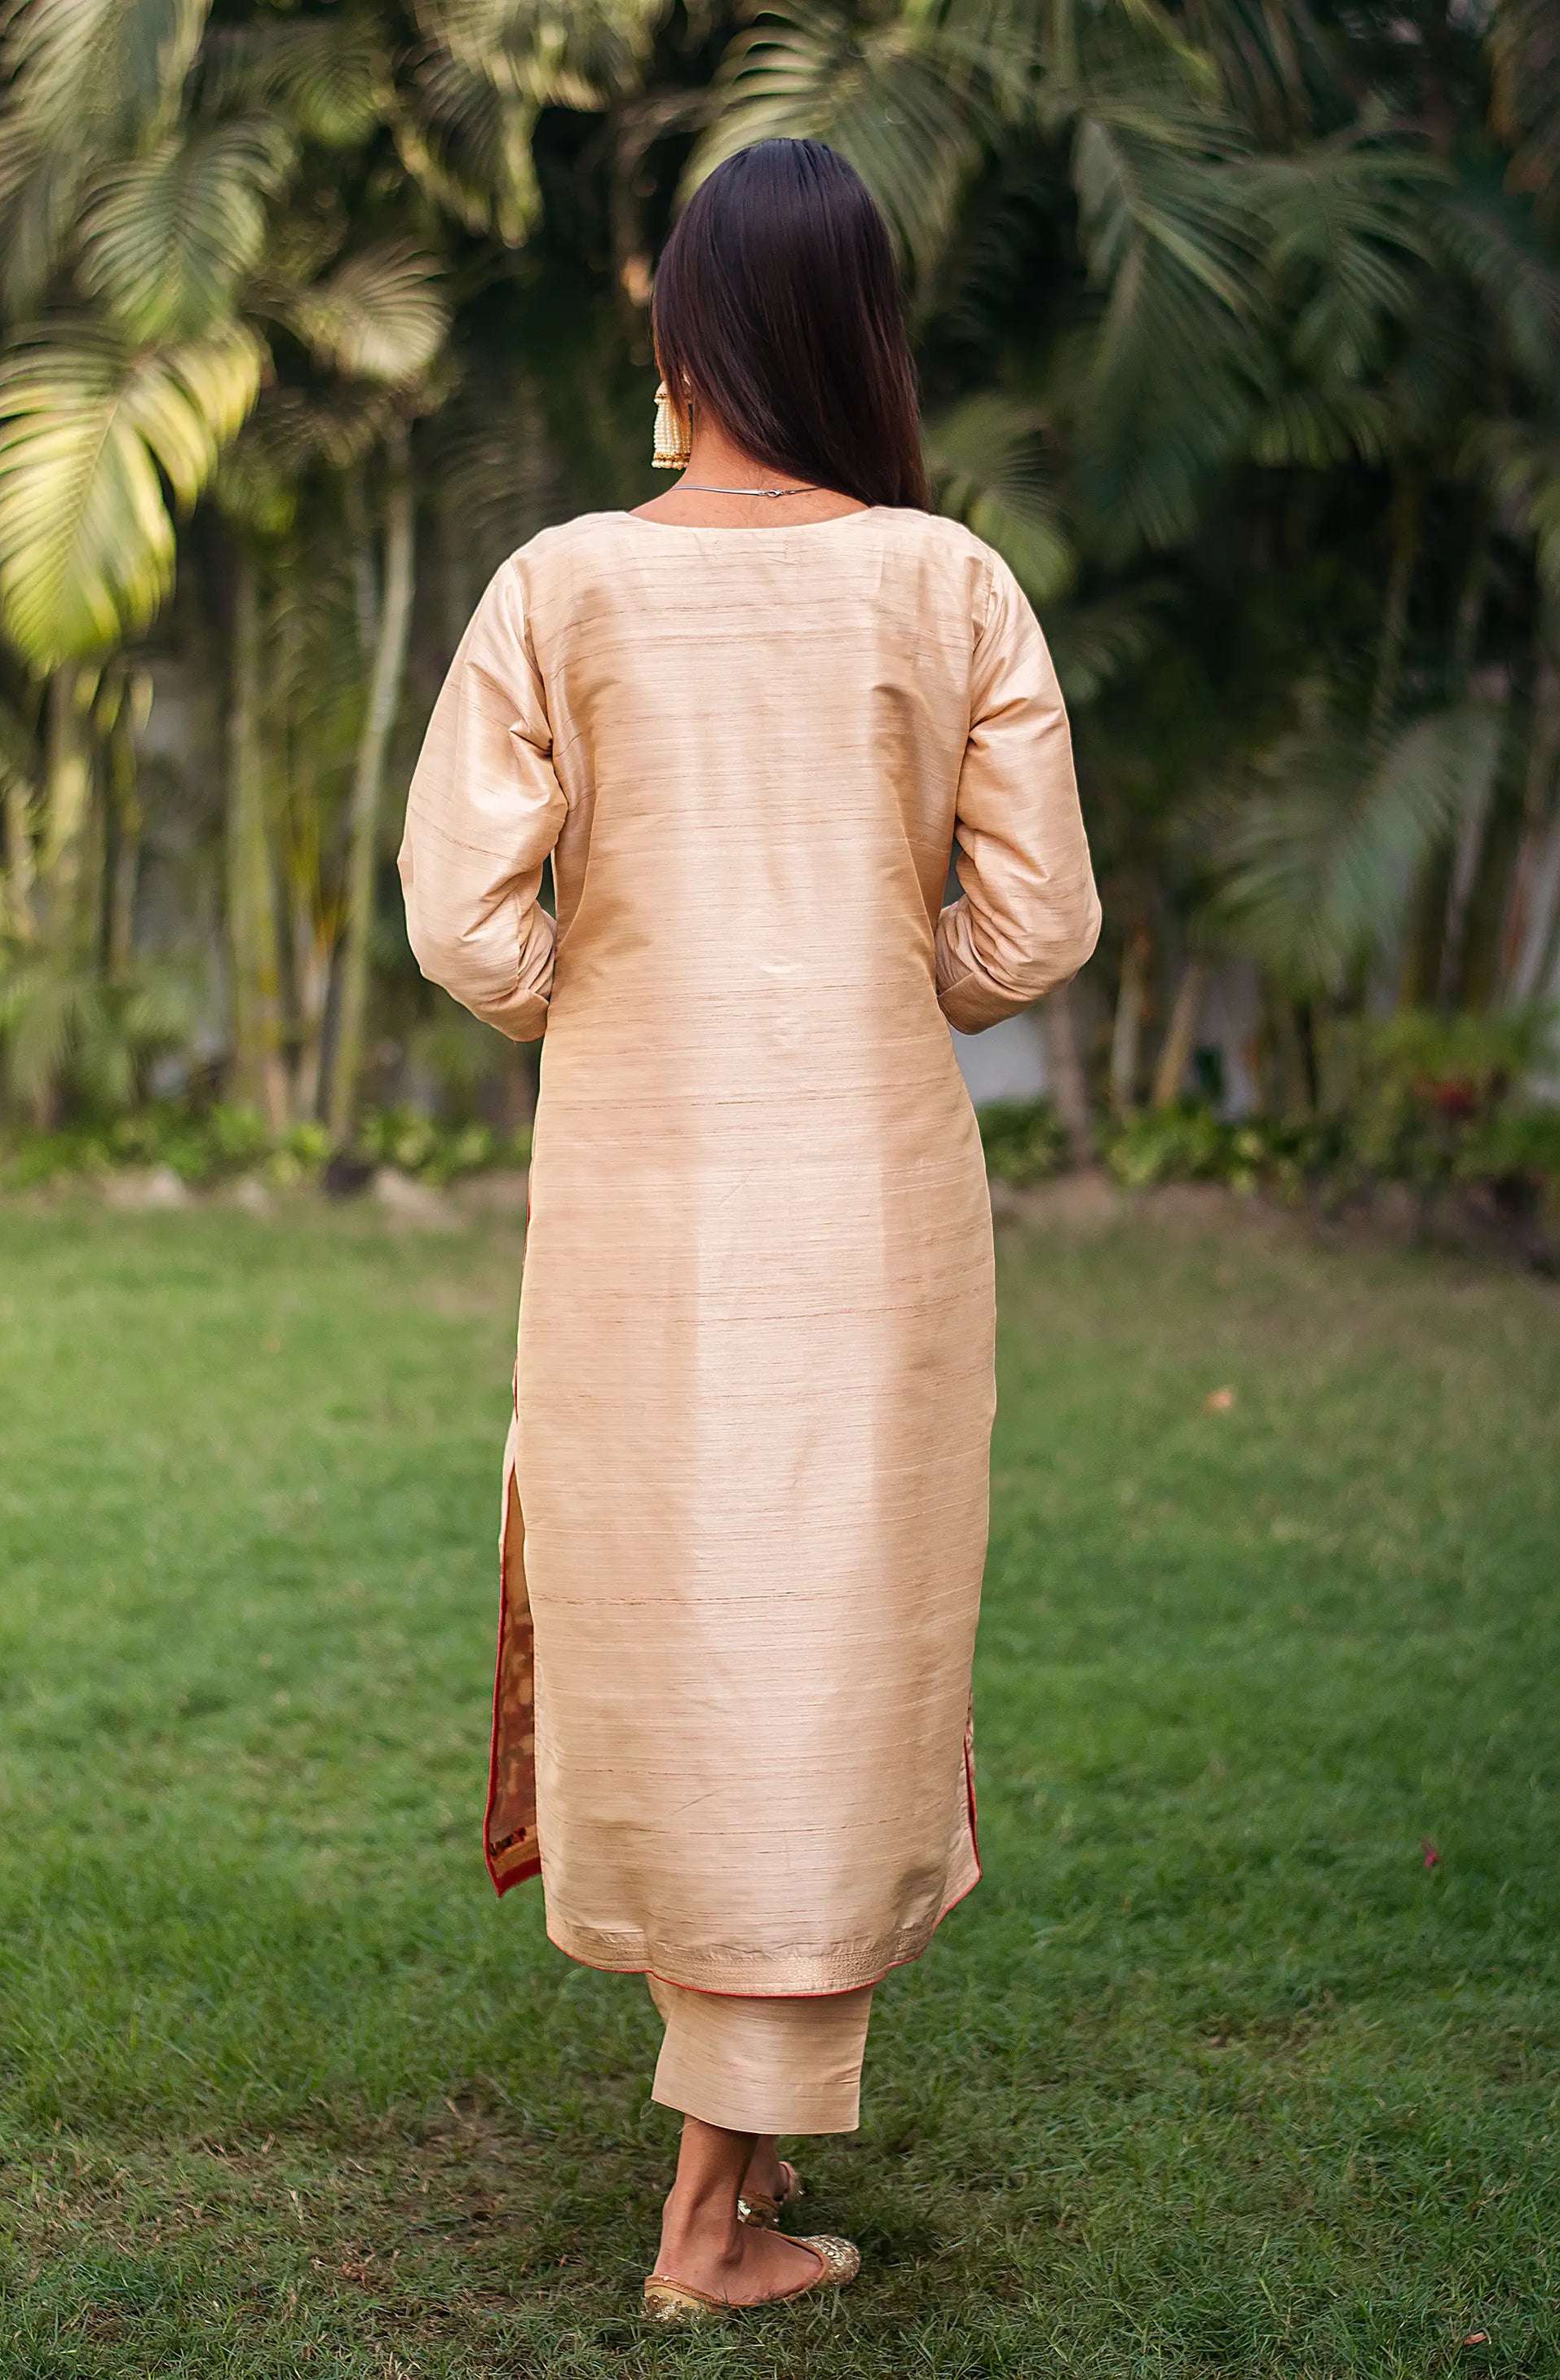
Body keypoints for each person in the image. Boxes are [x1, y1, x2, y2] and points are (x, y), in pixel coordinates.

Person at [398, 135, 1100, 2324]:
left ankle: (734, 2167)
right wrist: (900, 988)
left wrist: (592, 1000)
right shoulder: (945, 584)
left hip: (635, 1188)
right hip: (871, 1193)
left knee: (687, 1629)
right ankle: (710, 2219)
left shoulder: (560, 587)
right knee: (827, 1629)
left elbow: (456, 922)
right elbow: (1042, 925)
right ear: (862, 336)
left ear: (680, 334)